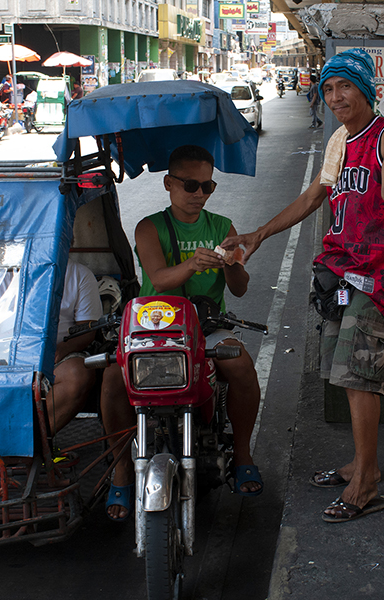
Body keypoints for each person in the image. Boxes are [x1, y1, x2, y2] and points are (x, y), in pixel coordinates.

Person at [222, 48, 384, 523]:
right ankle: (361, 463)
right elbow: (313, 195)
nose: (336, 97)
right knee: (345, 375)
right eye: (328, 89)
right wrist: (259, 233)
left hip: (377, 275)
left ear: (366, 90)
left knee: (361, 377)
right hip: (339, 272)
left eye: (345, 87)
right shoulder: (341, 140)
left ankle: (368, 483)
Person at [133, 144, 264, 497]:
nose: (199, 194)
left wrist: (234, 262)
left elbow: (239, 290)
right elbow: (158, 279)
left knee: (241, 366)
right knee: (115, 381)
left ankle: (242, 454)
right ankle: (119, 474)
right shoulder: (150, 228)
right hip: (156, 325)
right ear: (168, 184)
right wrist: (192, 264)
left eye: (207, 186)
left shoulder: (223, 226)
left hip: (206, 325)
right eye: (191, 185)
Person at [49, 259, 137, 521]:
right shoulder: (9, 270)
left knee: (80, 376)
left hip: (60, 355)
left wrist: (61, 350)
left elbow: (88, 329)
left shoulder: (78, 274)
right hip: (4, 355)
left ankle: (27, 443)